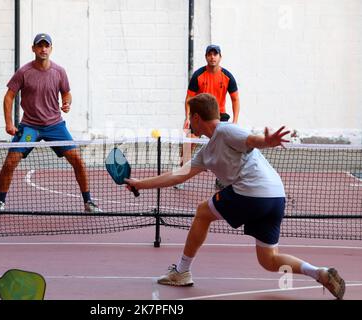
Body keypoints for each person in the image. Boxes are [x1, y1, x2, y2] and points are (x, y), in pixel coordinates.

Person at [126, 93, 346, 299]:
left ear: (196, 117)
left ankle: (182, 271)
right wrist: (140, 184)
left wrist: (266, 142)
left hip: (251, 192)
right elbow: (178, 176)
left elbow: (250, 140)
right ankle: (320, 273)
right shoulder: (206, 151)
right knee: (268, 260)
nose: (187, 123)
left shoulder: (225, 130)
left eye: (188, 118)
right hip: (276, 197)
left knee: (203, 212)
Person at [0, 33, 102, 213]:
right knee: (10, 162)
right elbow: (9, 97)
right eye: (39, 46)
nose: (43, 49)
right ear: (33, 49)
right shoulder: (24, 72)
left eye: (46, 46)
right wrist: (9, 123)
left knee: (78, 161)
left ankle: (88, 202)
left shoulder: (59, 72)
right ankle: (0, 202)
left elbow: (66, 93)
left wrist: (67, 103)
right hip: (30, 128)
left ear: (51, 49)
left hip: (55, 126)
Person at [176, 44, 240, 190]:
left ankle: (221, 179)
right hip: (199, 114)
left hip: (219, 116)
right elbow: (188, 98)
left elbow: (235, 99)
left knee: (223, 148)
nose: (212, 57)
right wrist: (187, 117)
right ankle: (181, 175)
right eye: (210, 54)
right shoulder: (198, 75)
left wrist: (235, 121)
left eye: (215, 54)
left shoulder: (228, 77)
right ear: (206, 57)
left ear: (220, 57)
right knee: (187, 143)